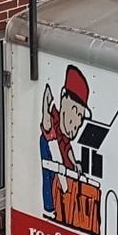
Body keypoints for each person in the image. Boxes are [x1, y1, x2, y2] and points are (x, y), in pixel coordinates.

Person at [40, 64, 90, 214]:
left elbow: (68, 149)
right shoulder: (54, 120)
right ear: (64, 100)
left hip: (63, 172)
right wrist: (45, 104)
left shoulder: (65, 136)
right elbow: (46, 125)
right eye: (76, 112)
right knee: (51, 181)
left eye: (80, 116)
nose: (78, 122)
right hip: (52, 161)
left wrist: (75, 164)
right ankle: (51, 206)